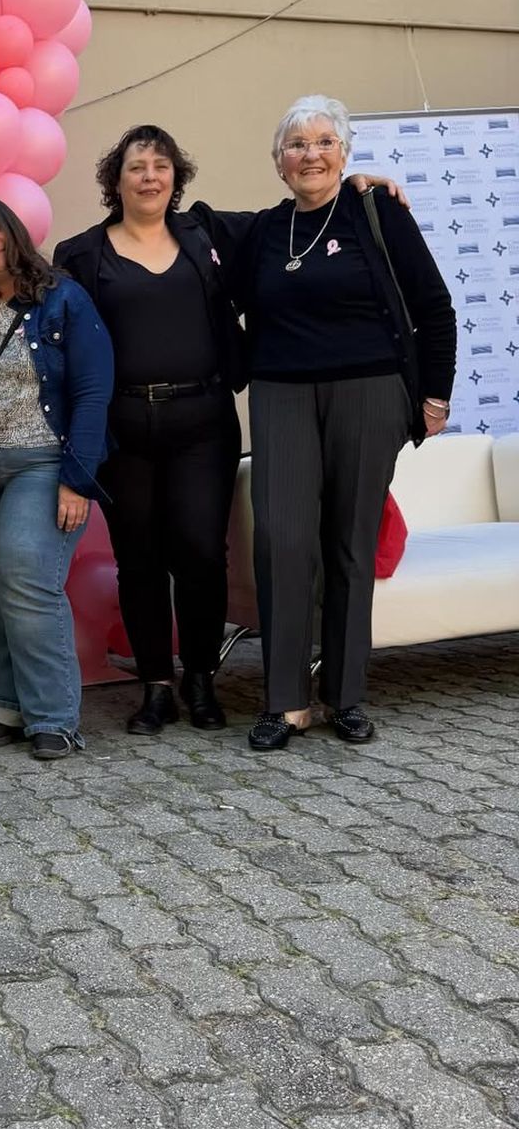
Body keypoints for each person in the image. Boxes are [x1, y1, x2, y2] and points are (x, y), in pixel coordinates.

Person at [240, 95, 456, 752]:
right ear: (279, 163)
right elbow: (181, 230)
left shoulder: (376, 211)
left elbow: (434, 305)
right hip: (280, 392)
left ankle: (345, 694)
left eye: (324, 142)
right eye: (297, 145)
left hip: (368, 389)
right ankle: (286, 702)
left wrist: (435, 397)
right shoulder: (262, 232)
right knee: (281, 539)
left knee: (350, 543)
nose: (311, 154)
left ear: (346, 153)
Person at [54, 126, 248, 737]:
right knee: (138, 560)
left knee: (199, 552)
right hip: (123, 427)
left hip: (203, 423)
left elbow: (286, 221)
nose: (149, 176)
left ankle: (201, 679)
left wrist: (358, 188)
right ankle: (156, 688)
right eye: (136, 166)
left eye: (160, 165)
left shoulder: (205, 235)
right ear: (116, 181)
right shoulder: (81, 254)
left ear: (176, 177)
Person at [0, 195, 112, 761]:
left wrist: (78, 479)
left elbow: (93, 390)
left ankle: (54, 716)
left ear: (14, 230)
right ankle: (8, 704)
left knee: (27, 578)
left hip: (43, 463)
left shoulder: (63, 298)